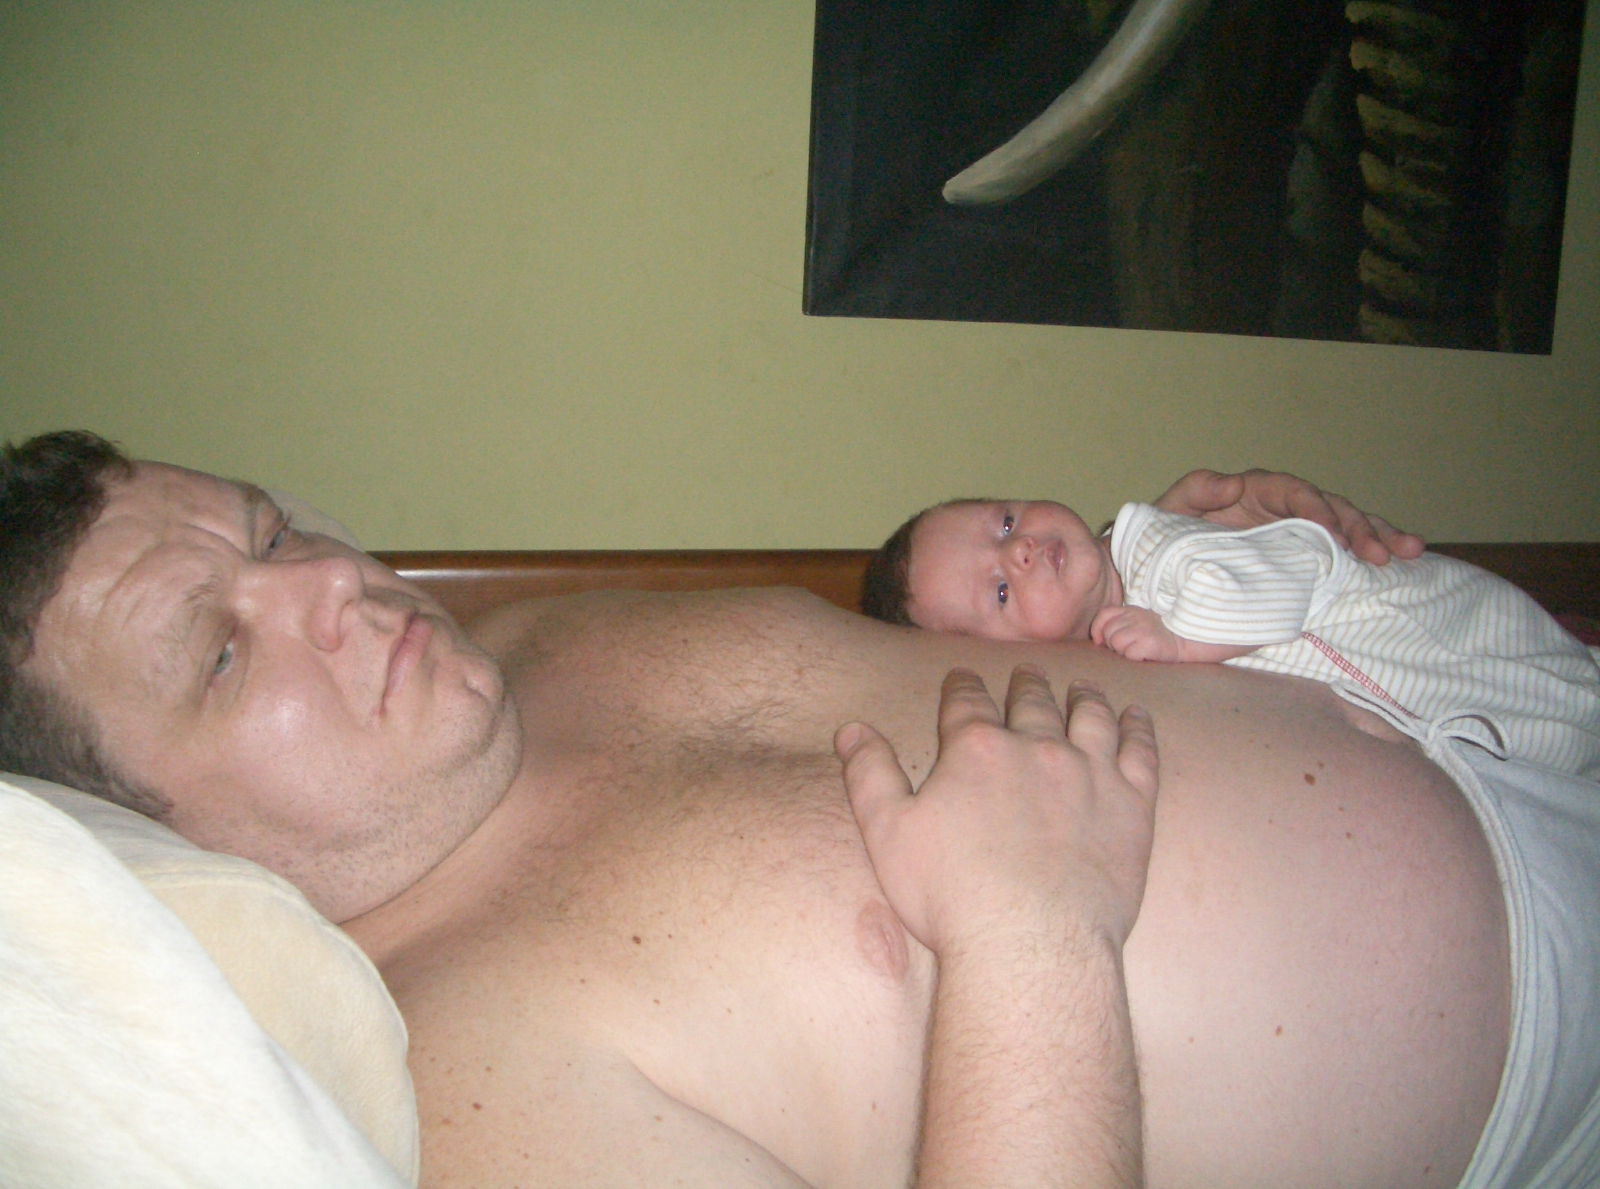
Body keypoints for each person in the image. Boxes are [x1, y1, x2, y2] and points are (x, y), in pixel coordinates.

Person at [3, 432, 1597, 1189]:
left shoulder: (526, 643)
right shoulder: (472, 1102)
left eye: (271, 531)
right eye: (221, 651)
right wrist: (1032, 937)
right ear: (148, 834)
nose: (331, 586)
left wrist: (1213, 563)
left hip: (1476, 724)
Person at [861, 496, 1600, 778]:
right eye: (999, 591)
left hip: (1439, 629)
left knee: (1567, 700)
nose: (1020, 550)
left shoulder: (1154, 546)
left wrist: (1181, 642)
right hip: (1429, 696)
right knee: (1553, 749)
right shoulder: (1117, 640)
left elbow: (1287, 573)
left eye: (1004, 522)